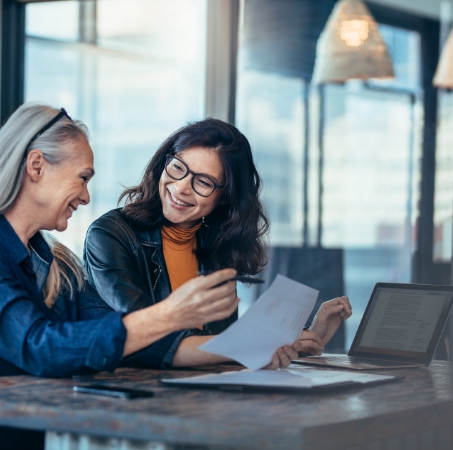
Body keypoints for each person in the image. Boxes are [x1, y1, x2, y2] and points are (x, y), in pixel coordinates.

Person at [0, 104, 311, 450]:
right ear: (36, 166)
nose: (86, 196)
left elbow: (129, 344)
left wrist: (258, 344)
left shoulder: (54, 261)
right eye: (83, 177)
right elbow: (39, 348)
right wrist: (170, 314)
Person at [83, 118, 352, 349]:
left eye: (203, 182)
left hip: (201, 390)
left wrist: (302, 339)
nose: (181, 187)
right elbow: (145, 333)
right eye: (177, 167)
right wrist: (260, 343)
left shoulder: (217, 246)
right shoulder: (110, 234)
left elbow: (223, 347)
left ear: (225, 198)